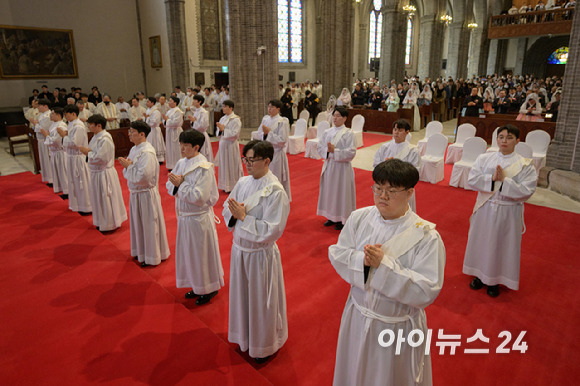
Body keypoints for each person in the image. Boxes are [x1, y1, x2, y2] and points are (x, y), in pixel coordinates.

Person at [329, 159, 445, 386]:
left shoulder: (426, 236)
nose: (382, 196)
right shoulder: (359, 218)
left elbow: (427, 289)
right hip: (359, 314)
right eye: (378, 188)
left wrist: (384, 266)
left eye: (391, 191)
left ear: (410, 192)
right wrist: (362, 260)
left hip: (396, 325)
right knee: (354, 372)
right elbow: (338, 254)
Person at [223, 140, 290, 363]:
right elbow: (227, 208)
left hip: (260, 255)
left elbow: (272, 231)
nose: (247, 165)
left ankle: (264, 344)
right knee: (242, 297)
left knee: (262, 301)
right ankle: (244, 337)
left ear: (267, 161)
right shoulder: (242, 183)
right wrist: (235, 215)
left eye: (252, 160)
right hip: (240, 250)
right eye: (246, 160)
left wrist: (243, 218)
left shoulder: (276, 192)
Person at [463, 125, 537, 297]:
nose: (504, 140)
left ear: (518, 140)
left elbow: (527, 191)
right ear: (496, 139)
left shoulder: (525, 165)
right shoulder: (484, 158)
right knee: (482, 242)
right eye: (501, 137)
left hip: (508, 211)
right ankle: (479, 276)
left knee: (501, 246)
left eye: (509, 137)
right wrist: (491, 179)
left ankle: (495, 280)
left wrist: (505, 182)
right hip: (485, 208)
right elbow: (472, 179)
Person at [166, 130, 224, 305]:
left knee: (202, 254)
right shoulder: (181, 163)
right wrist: (177, 186)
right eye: (180, 144)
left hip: (198, 218)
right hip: (185, 217)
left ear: (196, 147)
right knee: (189, 254)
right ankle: (197, 284)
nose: (181, 148)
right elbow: (169, 184)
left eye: (185, 145)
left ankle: (209, 287)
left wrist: (180, 186)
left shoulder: (204, 167)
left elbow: (200, 197)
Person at [119, 121, 170, 267]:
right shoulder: (135, 149)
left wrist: (129, 167)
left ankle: (152, 256)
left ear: (142, 134)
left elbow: (144, 177)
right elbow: (131, 170)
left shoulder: (147, 152)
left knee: (149, 225)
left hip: (145, 194)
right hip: (136, 193)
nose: (129, 134)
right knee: (139, 224)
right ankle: (141, 252)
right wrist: (128, 167)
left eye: (132, 131)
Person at [75, 114, 127, 232]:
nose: (88, 126)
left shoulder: (105, 138)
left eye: (90, 124)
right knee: (98, 198)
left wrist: (87, 152)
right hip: (96, 173)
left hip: (104, 173)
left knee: (105, 198)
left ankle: (109, 224)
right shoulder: (95, 136)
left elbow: (102, 157)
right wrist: (88, 152)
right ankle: (101, 221)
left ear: (98, 125)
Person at [317, 106, 356, 230]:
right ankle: (331, 216)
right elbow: (320, 147)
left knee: (341, 192)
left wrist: (335, 151)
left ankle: (341, 218)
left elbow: (351, 152)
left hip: (342, 168)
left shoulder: (348, 133)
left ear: (345, 118)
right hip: (330, 165)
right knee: (330, 191)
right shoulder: (327, 132)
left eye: (338, 116)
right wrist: (328, 152)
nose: (335, 118)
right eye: (334, 115)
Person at [373, 119, 420, 211]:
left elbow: (415, 171)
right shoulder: (385, 147)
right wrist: (385, 166)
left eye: (400, 130)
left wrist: (396, 167)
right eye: (395, 129)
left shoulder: (412, 150)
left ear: (407, 132)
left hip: (402, 187)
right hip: (385, 187)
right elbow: (376, 164)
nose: (396, 132)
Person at [256, 100, 292, 200]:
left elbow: (282, 140)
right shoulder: (265, 119)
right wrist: (264, 134)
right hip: (265, 152)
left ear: (278, 109)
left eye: (272, 107)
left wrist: (269, 133)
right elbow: (259, 133)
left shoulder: (282, 121)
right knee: (264, 175)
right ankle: (265, 196)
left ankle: (276, 198)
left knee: (275, 176)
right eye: (268, 107)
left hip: (276, 152)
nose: (269, 109)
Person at [60, 104, 92, 215]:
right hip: (71, 157)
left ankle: (86, 206)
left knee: (81, 182)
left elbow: (75, 143)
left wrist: (63, 136)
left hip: (78, 158)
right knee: (74, 182)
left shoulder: (78, 126)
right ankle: (78, 204)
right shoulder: (71, 124)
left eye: (66, 114)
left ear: (73, 113)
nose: (65, 116)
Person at [215, 99, 243, 193]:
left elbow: (235, 134)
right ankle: (225, 185)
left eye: (224, 106)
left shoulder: (236, 119)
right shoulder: (222, 118)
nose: (222, 108)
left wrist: (223, 130)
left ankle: (233, 185)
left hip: (231, 145)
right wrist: (220, 130)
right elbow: (218, 133)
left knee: (231, 164)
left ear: (230, 108)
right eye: (222, 106)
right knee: (224, 164)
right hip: (223, 144)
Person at [40, 107, 68, 197]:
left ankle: (67, 191)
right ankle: (60, 188)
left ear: (58, 115)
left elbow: (57, 141)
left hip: (60, 151)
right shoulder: (53, 124)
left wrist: (46, 135)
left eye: (52, 113)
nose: (50, 115)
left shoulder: (61, 125)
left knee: (63, 172)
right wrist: (48, 135)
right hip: (54, 152)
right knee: (57, 171)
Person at [34, 99, 54, 186]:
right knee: (44, 160)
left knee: (47, 159)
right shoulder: (42, 115)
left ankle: (52, 179)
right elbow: (37, 128)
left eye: (39, 105)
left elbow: (42, 129)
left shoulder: (48, 116)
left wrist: (36, 124)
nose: (38, 107)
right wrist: (37, 125)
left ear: (45, 106)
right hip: (41, 140)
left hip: (46, 140)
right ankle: (48, 177)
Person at [163, 96, 184, 171]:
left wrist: (167, 120)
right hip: (169, 131)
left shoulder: (178, 111)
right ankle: (171, 165)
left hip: (175, 132)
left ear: (175, 102)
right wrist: (165, 121)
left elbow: (176, 123)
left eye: (170, 101)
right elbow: (165, 122)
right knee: (170, 148)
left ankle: (178, 165)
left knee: (176, 148)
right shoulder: (169, 111)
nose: (169, 102)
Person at [190, 94, 214, 162]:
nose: (193, 101)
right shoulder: (196, 111)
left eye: (195, 100)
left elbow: (203, 126)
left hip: (201, 135)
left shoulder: (204, 112)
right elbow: (194, 124)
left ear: (199, 102)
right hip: (196, 134)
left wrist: (194, 121)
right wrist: (192, 122)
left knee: (203, 153)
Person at [145, 96, 166, 163]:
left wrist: (147, 118)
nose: (146, 103)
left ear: (152, 103)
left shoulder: (156, 111)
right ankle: (151, 158)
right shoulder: (148, 110)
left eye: (148, 101)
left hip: (154, 129)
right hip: (149, 130)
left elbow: (155, 122)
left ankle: (159, 159)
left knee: (156, 143)